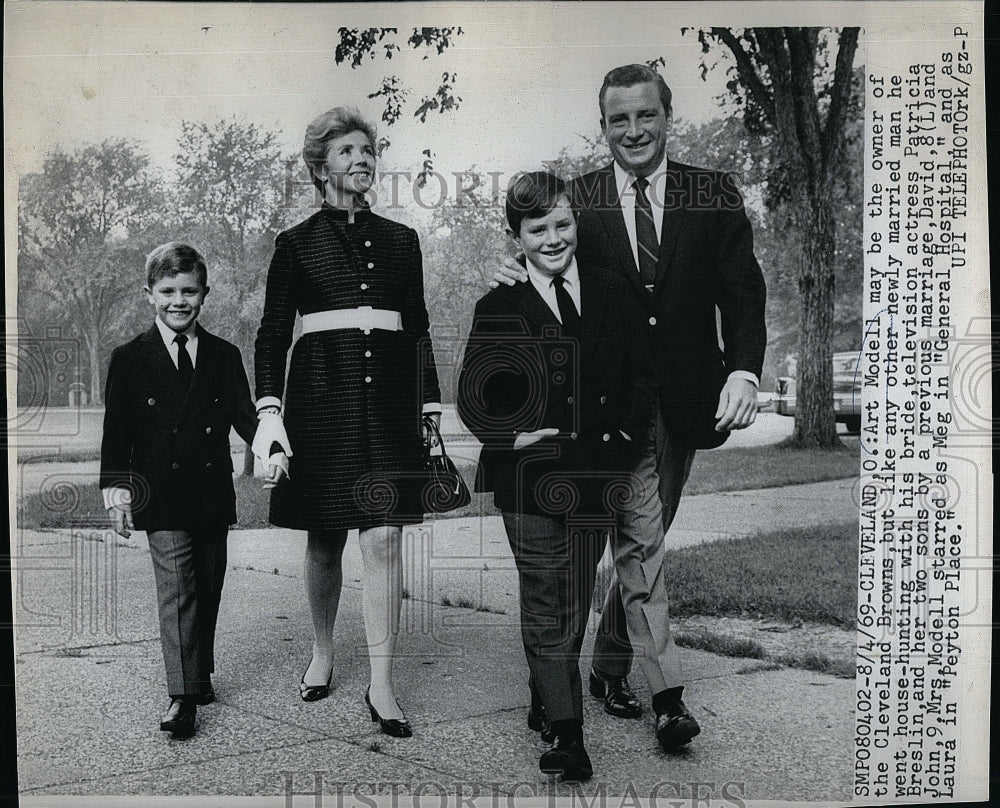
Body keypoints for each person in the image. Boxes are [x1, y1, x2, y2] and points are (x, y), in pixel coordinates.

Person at [494, 64, 767, 752]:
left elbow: (742, 291)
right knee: (588, 551)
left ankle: (612, 667)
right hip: (598, 404)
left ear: (667, 116)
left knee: (646, 546)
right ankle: (564, 685)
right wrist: (509, 277)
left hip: (679, 397)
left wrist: (743, 370)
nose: (634, 130)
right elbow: (545, 255)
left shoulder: (712, 193)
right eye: (619, 119)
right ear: (604, 125)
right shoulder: (578, 198)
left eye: (645, 115)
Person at [459, 171, 656, 780]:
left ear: (577, 224)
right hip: (527, 475)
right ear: (516, 237)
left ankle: (548, 688)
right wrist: (509, 434)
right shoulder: (498, 304)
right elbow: (473, 392)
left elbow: (638, 377)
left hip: (597, 471)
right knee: (546, 595)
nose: (552, 238)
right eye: (536, 229)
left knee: (572, 596)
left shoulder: (611, 289)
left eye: (562, 224)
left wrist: (623, 439)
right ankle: (568, 736)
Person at [253, 106, 441, 738]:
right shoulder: (295, 244)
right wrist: (270, 412)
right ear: (319, 167)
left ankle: (382, 683)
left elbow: (416, 328)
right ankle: (324, 652)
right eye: (346, 151)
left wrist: (429, 402)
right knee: (326, 537)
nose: (361, 159)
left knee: (385, 536)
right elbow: (273, 334)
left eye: (368, 149)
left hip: (389, 405)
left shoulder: (401, 241)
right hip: (320, 399)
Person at [100, 242, 258, 739]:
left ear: (204, 294)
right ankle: (183, 696)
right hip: (160, 496)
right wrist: (117, 492)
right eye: (167, 291)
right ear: (149, 294)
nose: (178, 301)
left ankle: (199, 672)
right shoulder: (129, 359)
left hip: (210, 492)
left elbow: (245, 418)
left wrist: (275, 447)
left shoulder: (224, 355)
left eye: (189, 291)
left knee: (207, 587)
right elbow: (116, 435)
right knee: (178, 591)